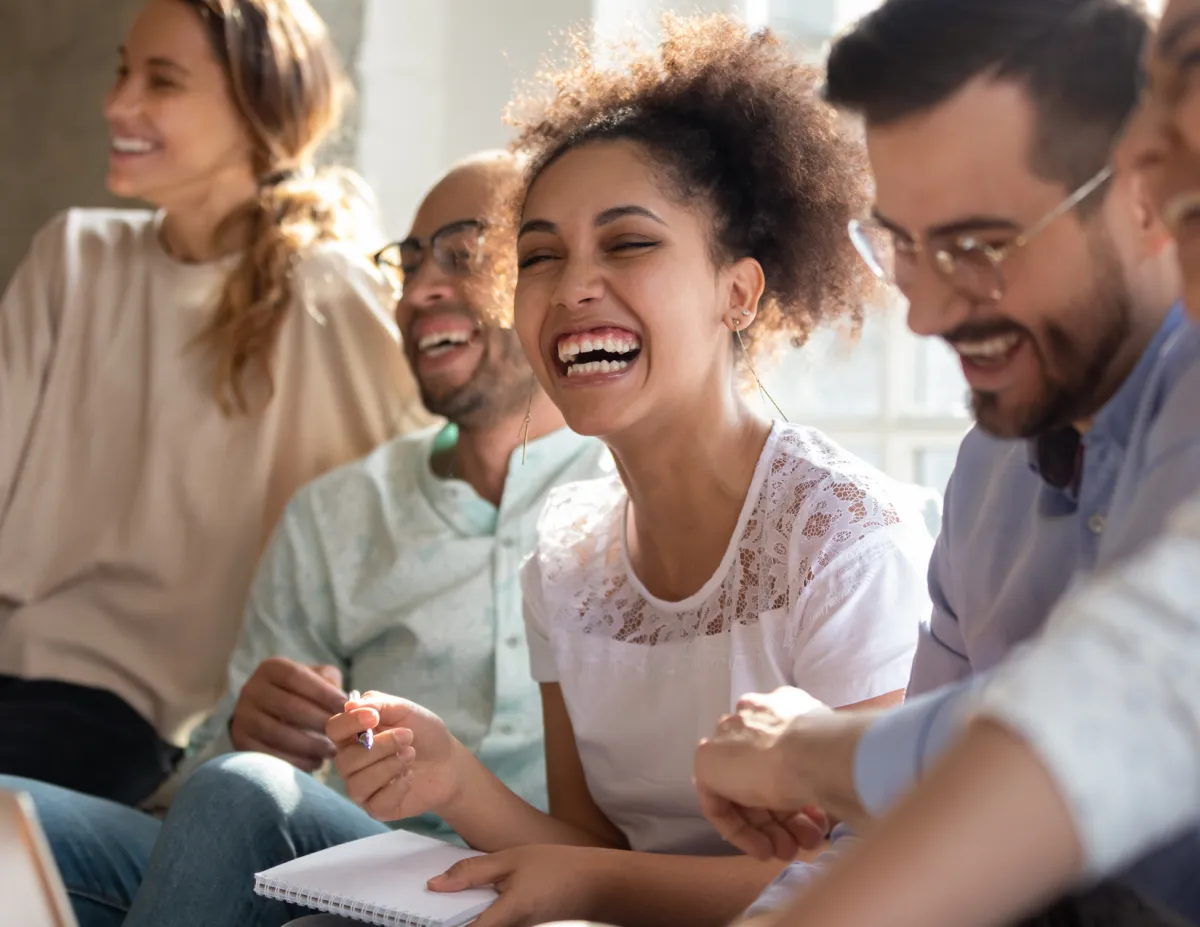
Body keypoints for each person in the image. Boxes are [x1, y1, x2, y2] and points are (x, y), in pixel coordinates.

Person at [318, 15, 934, 927]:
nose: (571, 286)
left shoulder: (846, 538)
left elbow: (884, 878)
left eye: (629, 243)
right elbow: (593, 846)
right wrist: (453, 774)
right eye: (538, 256)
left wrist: (595, 886)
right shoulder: (567, 558)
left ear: (739, 290)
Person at [0, 150, 610, 927]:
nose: (420, 290)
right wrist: (249, 733)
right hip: (335, 855)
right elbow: (211, 779)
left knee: (243, 795)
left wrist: (243, 779)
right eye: (411, 259)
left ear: (549, 278)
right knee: (20, 814)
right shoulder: (340, 510)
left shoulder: (629, 502)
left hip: (523, 883)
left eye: (463, 256)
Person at [693, 0, 1200, 923]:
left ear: (1144, 193)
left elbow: (1114, 700)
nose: (925, 315)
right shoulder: (989, 470)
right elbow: (901, 819)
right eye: (900, 246)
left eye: (976, 246)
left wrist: (809, 750)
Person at [0, 0, 428, 806]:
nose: (117, 103)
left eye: (160, 81)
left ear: (256, 109)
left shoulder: (326, 288)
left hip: (146, 722)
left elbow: (420, 493)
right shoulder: (73, 254)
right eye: (123, 71)